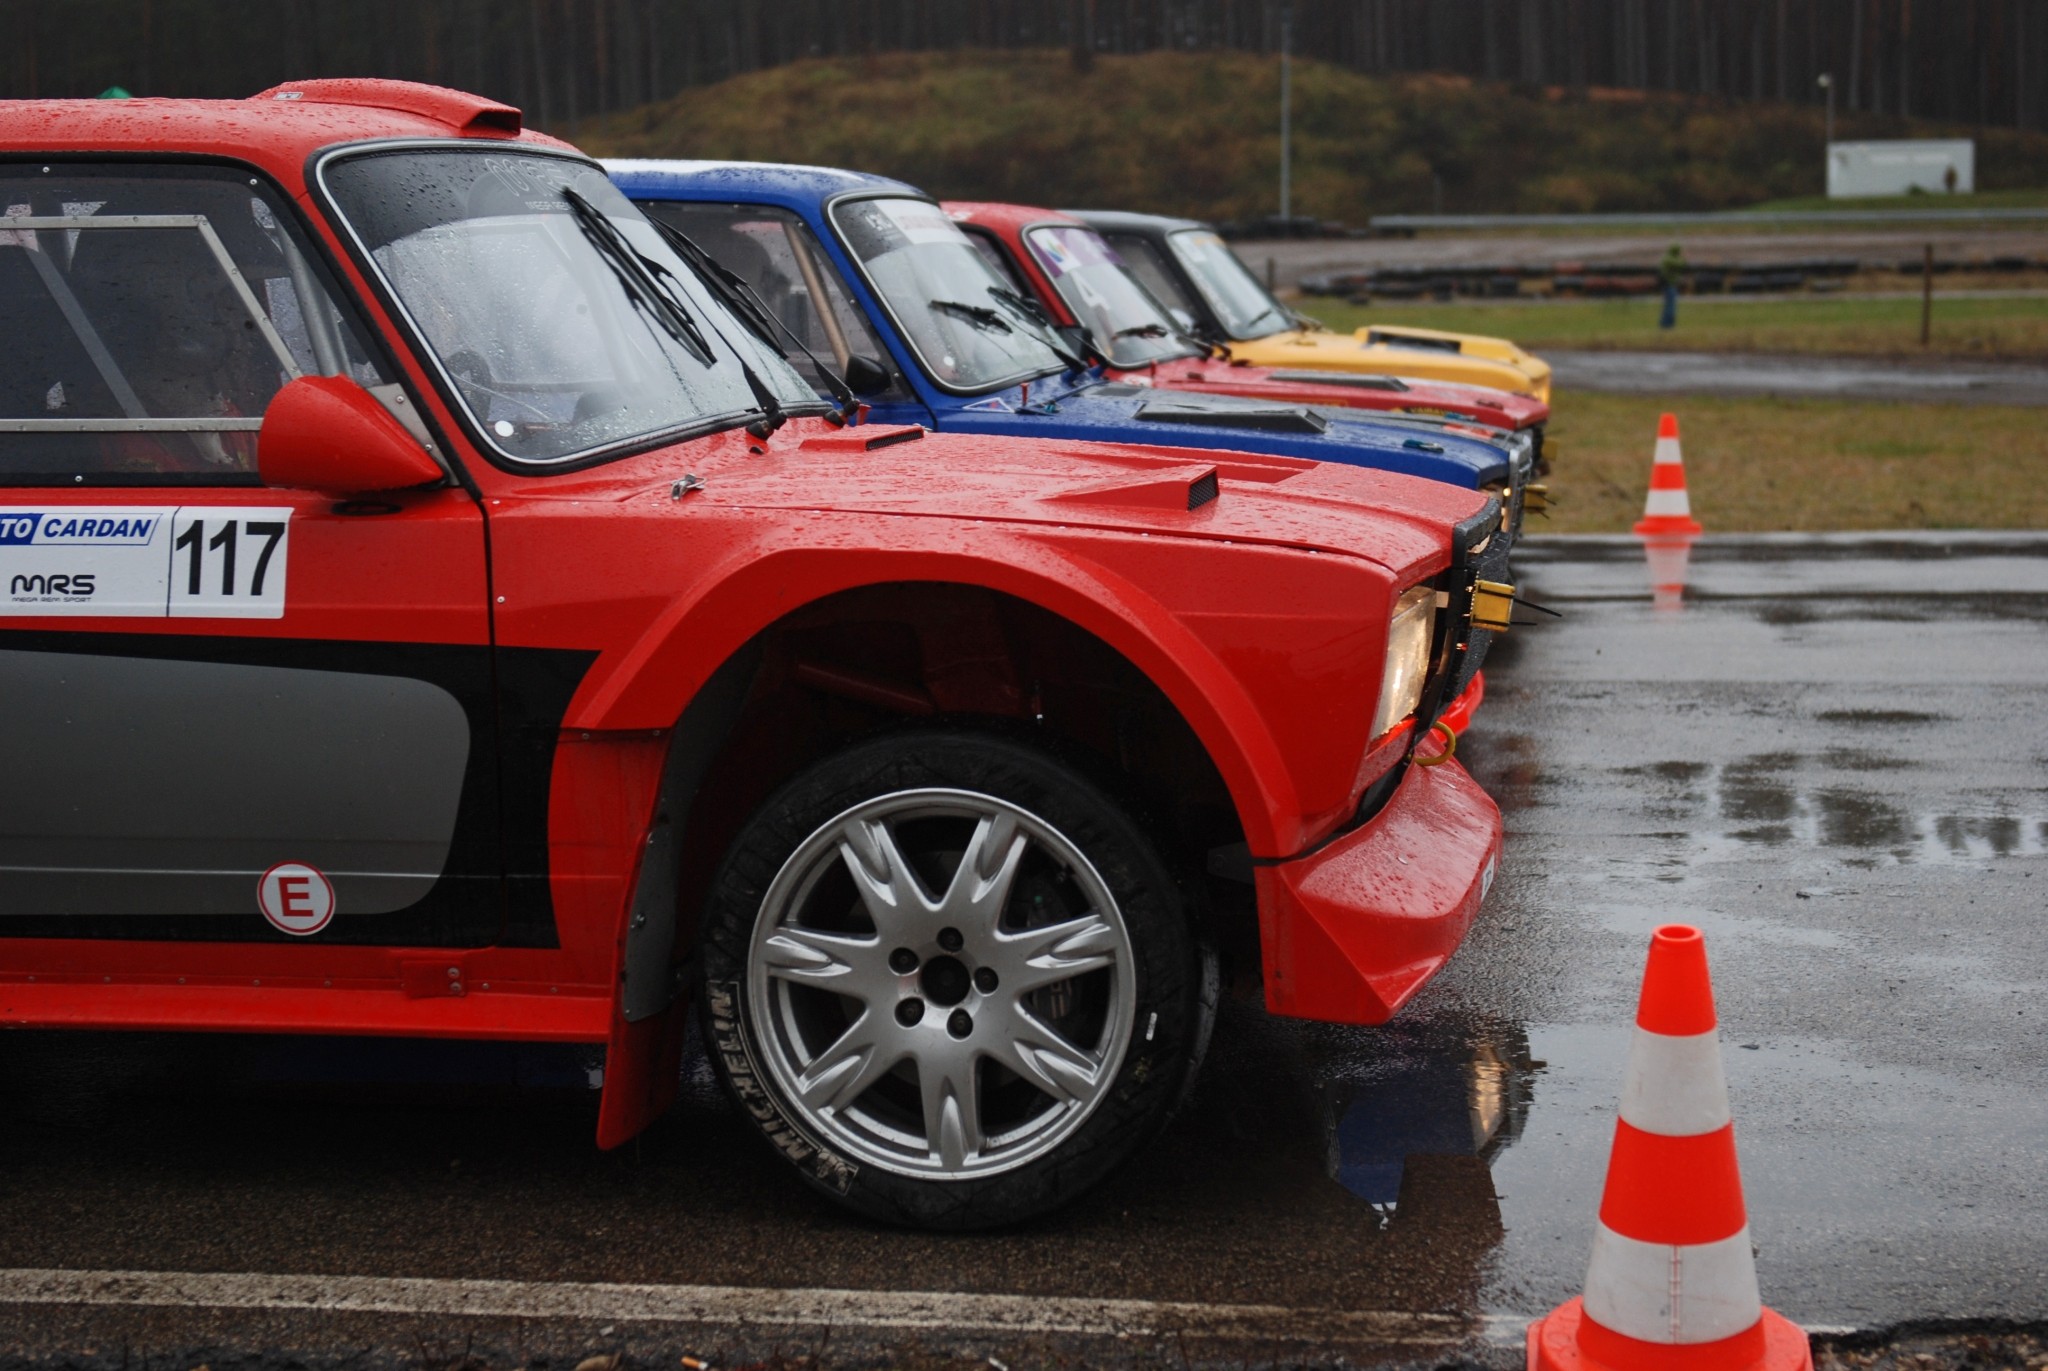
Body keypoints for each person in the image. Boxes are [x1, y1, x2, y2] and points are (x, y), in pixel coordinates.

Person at [1658, 243, 1687, 330]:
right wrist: (1683, 257)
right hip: (1669, 284)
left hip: (1668, 284)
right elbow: (1681, 264)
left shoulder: (1667, 258)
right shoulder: (1670, 259)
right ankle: (1667, 325)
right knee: (1670, 306)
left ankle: (1666, 324)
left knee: (1669, 305)